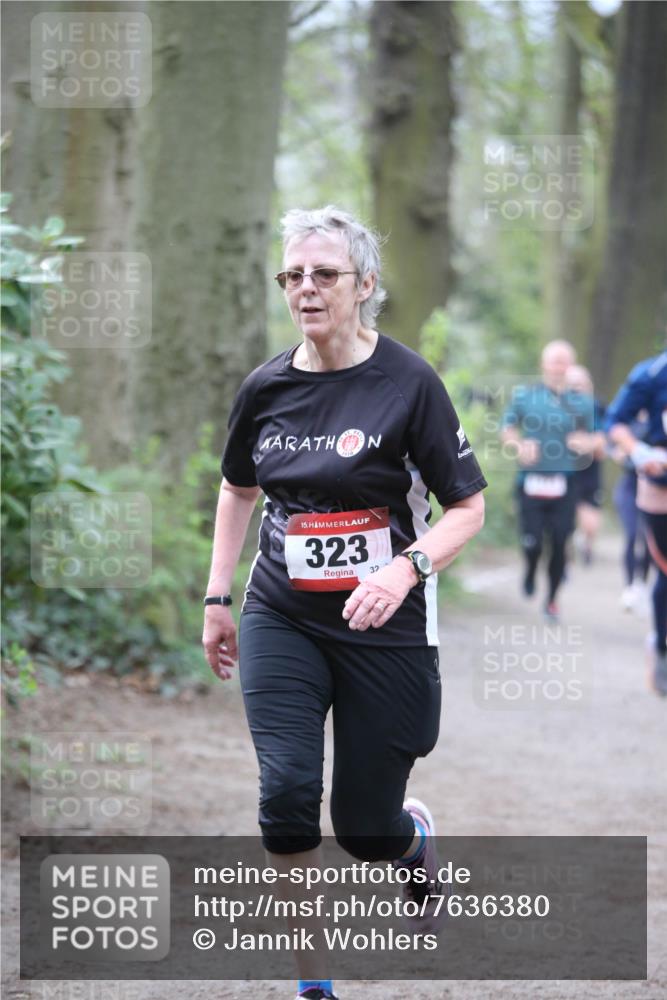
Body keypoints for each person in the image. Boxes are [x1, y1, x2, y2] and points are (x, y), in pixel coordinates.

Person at [202, 206, 487, 1000]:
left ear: (364, 285)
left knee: (365, 828)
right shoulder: (265, 387)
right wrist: (216, 596)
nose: (305, 288)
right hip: (281, 613)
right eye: (292, 275)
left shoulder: (408, 383)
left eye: (323, 274)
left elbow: (467, 507)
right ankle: (312, 983)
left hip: (385, 624)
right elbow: (237, 489)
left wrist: (403, 569)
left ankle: (412, 842)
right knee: (288, 794)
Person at [500, 340, 596, 622]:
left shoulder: (584, 403)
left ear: (571, 365)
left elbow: (601, 438)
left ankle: (552, 599)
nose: (559, 367)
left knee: (559, 541)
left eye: (564, 362)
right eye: (554, 361)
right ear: (544, 365)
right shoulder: (525, 397)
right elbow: (507, 429)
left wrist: (586, 442)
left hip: (565, 482)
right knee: (531, 542)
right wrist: (519, 445)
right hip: (530, 480)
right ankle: (530, 568)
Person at [605, 351, 667, 696]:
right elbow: (615, 421)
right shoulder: (652, 374)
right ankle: (660, 645)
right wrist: (640, 452)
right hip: (660, 487)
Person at [564, 364, 607, 565]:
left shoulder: (597, 407)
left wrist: (587, 444)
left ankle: (586, 543)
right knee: (563, 519)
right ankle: (564, 551)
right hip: (564, 471)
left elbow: (603, 445)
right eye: (571, 385)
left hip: (589, 472)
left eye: (579, 384)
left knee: (590, 524)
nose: (576, 389)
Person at [611, 413, 651, 613]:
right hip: (629, 488)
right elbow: (610, 441)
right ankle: (629, 586)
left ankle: (641, 584)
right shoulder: (628, 419)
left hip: (654, 489)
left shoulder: (659, 421)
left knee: (650, 540)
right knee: (632, 534)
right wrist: (617, 452)